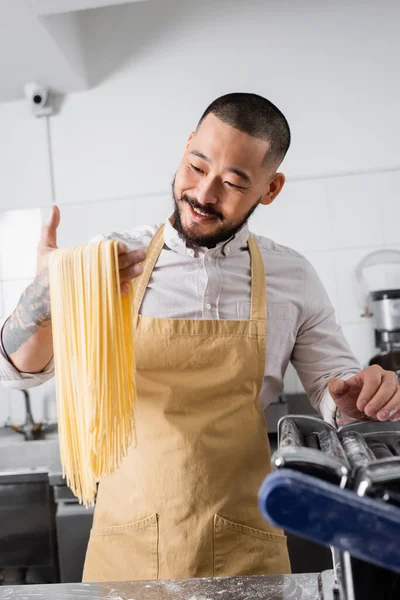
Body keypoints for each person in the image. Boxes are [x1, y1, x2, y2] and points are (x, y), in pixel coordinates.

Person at [1, 93, 399, 583]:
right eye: (196, 166)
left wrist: (359, 398)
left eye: (233, 183)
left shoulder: (291, 276)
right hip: (128, 545)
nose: (204, 193)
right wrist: (43, 297)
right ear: (186, 146)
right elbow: (16, 372)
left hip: (246, 546)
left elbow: (335, 394)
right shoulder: (106, 263)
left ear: (270, 189)